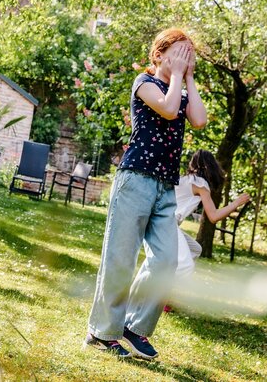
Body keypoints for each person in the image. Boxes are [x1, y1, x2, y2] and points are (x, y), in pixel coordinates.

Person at [85, 28, 207, 360]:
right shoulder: (145, 83)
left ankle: (134, 326)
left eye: (189, 55)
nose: (185, 60)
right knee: (120, 259)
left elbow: (198, 119)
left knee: (167, 261)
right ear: (159, 55)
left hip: (165, 186)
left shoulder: (180, 90)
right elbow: (168, 110)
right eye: (179, 53)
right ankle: (101, 332)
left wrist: (188, 77)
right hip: (135, 180)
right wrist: (178, 77)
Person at [173, 150, 251, 278]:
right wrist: (236, 203)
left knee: (195, 249)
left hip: (166, 221)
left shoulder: (185, 179)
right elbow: (213, 217)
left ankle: (165, 281)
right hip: (168, 224)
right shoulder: (200, 184)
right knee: (186, 266)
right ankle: (164, 290)